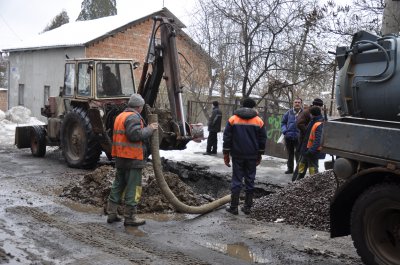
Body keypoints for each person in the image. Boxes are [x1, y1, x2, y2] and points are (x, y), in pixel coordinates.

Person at [106, 94, 158, 226]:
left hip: (121, 157)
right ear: (139, 107)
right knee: (133, 187)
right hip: (132, 158)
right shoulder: (133, 117)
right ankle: (130, 217)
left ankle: (111, 213)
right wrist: (150, 129)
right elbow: (135, 135)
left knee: (118, 184)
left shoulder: (120, 116)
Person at [223, 98, 267, 215]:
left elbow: (227, 138)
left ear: (242, 106)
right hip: (252, 155)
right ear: (253, 107)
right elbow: (262, 139)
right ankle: (247, 207)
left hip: (237, 155)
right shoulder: (259, 121)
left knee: (236, 180)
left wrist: (226, 154)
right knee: (250, 180)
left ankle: (233, 207)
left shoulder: (233, 119)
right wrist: (259, 155)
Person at [292, 98, 324, 181]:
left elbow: (318, 139)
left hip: (311, 150)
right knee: (301, 165)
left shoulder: (317, 123)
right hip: (306, 148)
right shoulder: (312, 119)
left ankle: (313, 183)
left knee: (312, 168)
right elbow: (302, 127)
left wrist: (311, 150)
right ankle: (296, 181)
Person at [281, 98, 303, 174]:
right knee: (290, 154)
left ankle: (298, 171)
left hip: (299, 137)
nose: (297, 103)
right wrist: (285, 131)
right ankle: (290, 169)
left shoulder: (304, 113)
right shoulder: (289, 112)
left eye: (299, 102)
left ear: (301, 103)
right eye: (296, 102)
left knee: (298, 154)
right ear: (293, 103)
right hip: (289, 136)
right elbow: (283, 122)